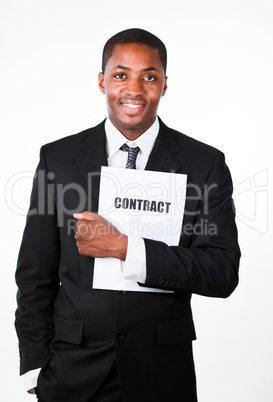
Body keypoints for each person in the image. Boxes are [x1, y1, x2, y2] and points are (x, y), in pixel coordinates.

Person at [15, 28, 240, 402]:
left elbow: (221, 272)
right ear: (103, 81)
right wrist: (36, 369)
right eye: (121, 75)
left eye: (148, 77)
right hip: (71, 373)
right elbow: (35, 275)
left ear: (164, 84)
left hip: (162, 373)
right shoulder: (58, 159)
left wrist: (125, 248)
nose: (134, 90)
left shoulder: (205, 165)